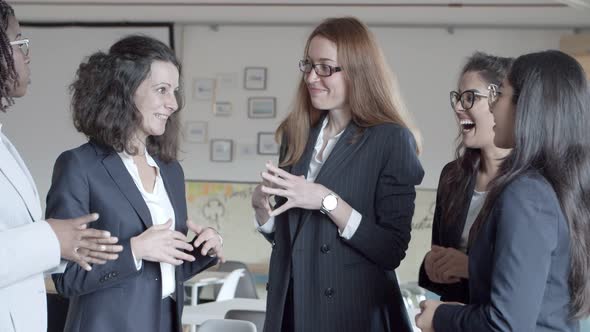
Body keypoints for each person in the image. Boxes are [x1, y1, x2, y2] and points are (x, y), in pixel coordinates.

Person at [251, 17, 424, 332]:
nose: (312, 77)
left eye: (326, 67)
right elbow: (295, 241)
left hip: (350, 315)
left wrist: (326, 201)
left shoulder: (391, 140)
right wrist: (264, 212)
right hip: (291, 309)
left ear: (358, 71)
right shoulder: (297, 132)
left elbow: (391, 249)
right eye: (308, 65)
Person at [46, 35, 224, 332]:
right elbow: (66, 279)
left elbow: (161, 274)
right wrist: (135, 250)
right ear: (126, 91)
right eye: (162, 90)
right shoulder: (79, 166)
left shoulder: (170, 171)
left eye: (175, 91)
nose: (173, 103)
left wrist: (202, 250)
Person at [415, 50, 590, 331]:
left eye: (501, 95)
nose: (495, 107)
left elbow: (506, 323)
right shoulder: (549, 184)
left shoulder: (526, 193)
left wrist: (440, 317)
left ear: (528, 106)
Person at [0, 1, 123, 331]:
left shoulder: (5, 143)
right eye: (18, 42)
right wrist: (51, 238)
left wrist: (62, 245)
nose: (27, 54)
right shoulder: (77, 163)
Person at [418, 52, 512, 303]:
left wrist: (469, 267)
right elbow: (438, 256)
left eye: (470, 97)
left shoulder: (530, 184)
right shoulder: (452, 176)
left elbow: (531, 278)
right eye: (458, 98)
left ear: (501, 102)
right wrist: (430, 265)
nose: (459, 107)